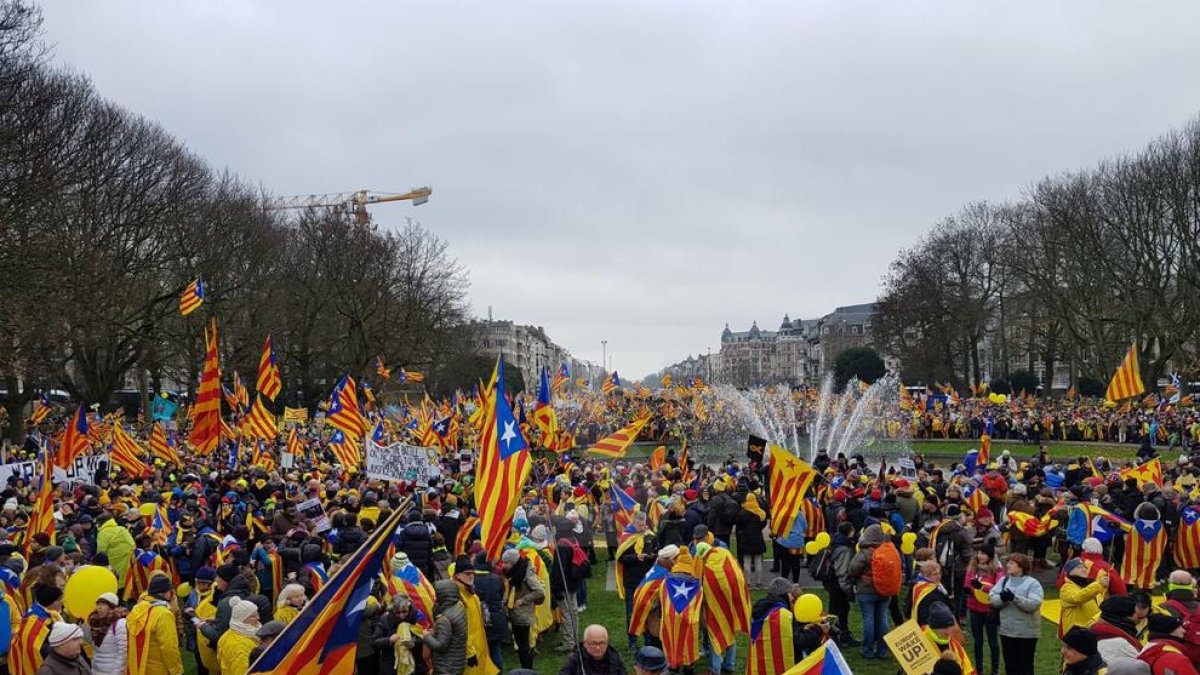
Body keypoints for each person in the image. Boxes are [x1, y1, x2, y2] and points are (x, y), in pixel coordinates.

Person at [848, 523, 893, 660]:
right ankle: (882, 650)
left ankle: (867, 650)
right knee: (883, 619)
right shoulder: (887, 550)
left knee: (869, 619)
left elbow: (853, 570)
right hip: (885, 590)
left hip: (867, 591)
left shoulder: (864, 553)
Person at [125, 574, 183, 675]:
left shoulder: (138, 608)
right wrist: (176, 671)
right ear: (164, 593)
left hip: (138, 666)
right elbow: (169, 648)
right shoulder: (163, 614)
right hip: (159, 669)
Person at [499, 548, 543, 670]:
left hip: (522, 615)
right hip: (514, 614)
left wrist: (522, 600)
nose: (503, 565)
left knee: (523, 646)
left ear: (513, 562)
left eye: (506, 562)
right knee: (520, 644)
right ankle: (526, 668)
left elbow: (539, 591)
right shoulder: (514, 572)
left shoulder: (526, 575)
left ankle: (527, 669)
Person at [964, 545, 1002, 675]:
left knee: (993, 641)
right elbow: (967, 584)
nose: (980, 556)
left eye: (984, 553)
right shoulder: (972, 567)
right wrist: (968, 590)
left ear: (990, 556)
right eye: (979, 553)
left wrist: (982, 587)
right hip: (974, 609)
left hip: (990, 610)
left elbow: (998, 589)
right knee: (977, 641)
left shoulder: (997, 569)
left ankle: (995, 670)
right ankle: (979, 669)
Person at [472, 553, 509, 671]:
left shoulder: (471, 580)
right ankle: (498, 671)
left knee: (481, 651)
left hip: (479, 619)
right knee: (495, 649)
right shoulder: (497, 579)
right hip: (497, 618)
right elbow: (502, 594)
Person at [424, 579, 467, 675]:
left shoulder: (444, 619)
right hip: (458, 662)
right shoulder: (459, 608)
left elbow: (441, 646)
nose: (435, 598)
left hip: (446, 667)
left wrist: (426, 636)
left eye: (437, 595)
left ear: (443, 596)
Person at [1060, 558, 1109, 638]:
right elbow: (1078, 597)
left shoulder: (1085, 587)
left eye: (1085, 567)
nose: (1083, 569)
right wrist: (1099, 585)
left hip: (1089, 630)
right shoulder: (1066, 588)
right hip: (1076, 633)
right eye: (1079, 567)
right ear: (1069, 572)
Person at [558, 625, 627, 675]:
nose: (598, 647)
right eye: (593, 643)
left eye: (601, 643)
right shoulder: (575, 659)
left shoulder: (614, 657)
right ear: (585, 643)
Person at [1093, 596, 1144, 665]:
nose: (1137, 616)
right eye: (1134, 612)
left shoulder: (1095, 630)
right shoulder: (1121, 642)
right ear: (1125, 616)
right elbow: (1144, 665)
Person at [217, 598, 261, 674]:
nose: (258, 618)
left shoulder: (229, 633)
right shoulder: (242, 646)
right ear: (241, 619)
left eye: (257, 613)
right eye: (253, 616)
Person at [87, 593, 127, 675]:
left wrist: (117, 672)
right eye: (98, 604)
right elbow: (95, 647)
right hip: (96, 670)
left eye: (103, 604)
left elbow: (123, 652)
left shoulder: (120, 623)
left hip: (112, 671)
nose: (99, 607)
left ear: (111, 607)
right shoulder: (95, 622)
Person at [734, 493, 767, 589]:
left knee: (746, 562)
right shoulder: (760, 513)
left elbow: (739, 526)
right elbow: (763, 524)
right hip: (757, 538)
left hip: (746, 538)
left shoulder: (742, 513)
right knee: (758, 562)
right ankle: (759, 582)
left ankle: (747, 582)